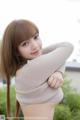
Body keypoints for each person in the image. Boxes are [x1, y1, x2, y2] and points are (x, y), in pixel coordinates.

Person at [0, 19, 73, 120]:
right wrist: (58, 70)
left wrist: (58, 73)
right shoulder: (31, 69)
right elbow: (67, 47)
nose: (34, 45)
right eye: (25, 44)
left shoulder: (24, 71)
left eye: (35, 37)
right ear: (16, 51)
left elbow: (60, 58)